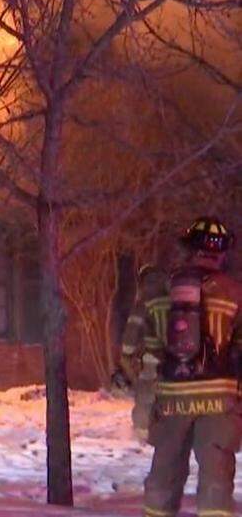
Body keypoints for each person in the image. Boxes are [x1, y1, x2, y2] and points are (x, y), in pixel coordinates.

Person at [141, 216, 242, 517]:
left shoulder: (161, 292)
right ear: (222, 253)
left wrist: (149, 395)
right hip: (219, 401)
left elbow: (145, 352)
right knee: (215, 479)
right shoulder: (236, 293)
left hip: (171, 400)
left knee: (164, 474)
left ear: (188, 249)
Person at [120, 264, 170, 441]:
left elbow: (132, 331)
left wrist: (126, 355)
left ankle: (142, 434)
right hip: (178, 361)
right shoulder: (174, 299)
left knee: (145, 396)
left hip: (153, 360)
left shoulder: (145, 302)